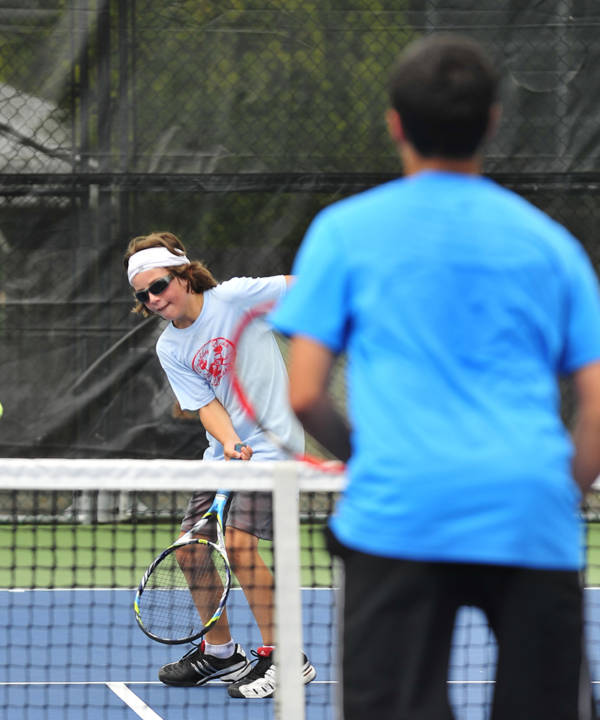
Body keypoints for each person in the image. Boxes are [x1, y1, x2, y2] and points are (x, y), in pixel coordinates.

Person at [271, 33, 600, 720]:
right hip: (530, 514)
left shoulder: (341, 232)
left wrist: (378, 460)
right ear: (493, 121)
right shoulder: (553, 246)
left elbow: (304, 392)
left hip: (401, 515)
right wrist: (554, 491)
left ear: (394, 124)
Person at [124, 231, 316, 699]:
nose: (153, 298)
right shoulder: (170, 348)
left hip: (275, 450)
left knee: (240, 546)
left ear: (184, 275)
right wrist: (229, 442)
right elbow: (205, 404)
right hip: (225, 455)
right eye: (143, 294)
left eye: (160, 286)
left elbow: (303, 284)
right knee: (192, 551)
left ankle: (288, 658)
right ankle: (222, 655)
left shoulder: (234, 298)